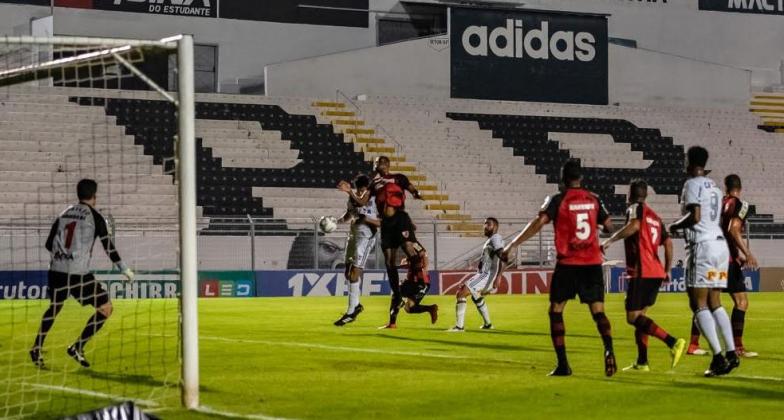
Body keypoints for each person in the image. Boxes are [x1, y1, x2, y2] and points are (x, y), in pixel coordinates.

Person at [501, 160, 616, 377]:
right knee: (598, 311)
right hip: (592, 264)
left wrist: (513, 244)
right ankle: (609, 348)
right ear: (580, 178)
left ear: (562, 179)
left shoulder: (558, 199)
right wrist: (596, 224)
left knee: (556, 310)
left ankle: (563, 364)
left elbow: (538, 222)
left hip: (568, 265)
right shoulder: (594, 199)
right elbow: (609, 227)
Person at [30, 179, 135, 368]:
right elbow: (108, 246)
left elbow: (48, 244)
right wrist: (124, 268)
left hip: (56, 270)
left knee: (54, 307)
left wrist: (62, 254)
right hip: (78, 273)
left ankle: (36, 348)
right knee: (106, 308)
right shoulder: (95, 217)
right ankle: (77, 346)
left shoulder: (64, 213)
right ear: (94, 196)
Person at [668, 146, 740, 377]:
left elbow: (695, 216)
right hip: (719, 245)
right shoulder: (716, 189)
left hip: (702, 246)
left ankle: (718, 357)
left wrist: (674, 226)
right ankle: (731, 353)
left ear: (690, 163)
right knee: (715, 301)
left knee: (697, 303)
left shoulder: (691, 184)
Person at [601, 180, 686, 371]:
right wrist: (667, 269)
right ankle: (642, 361)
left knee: (632, 317)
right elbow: (669, 243)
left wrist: (609, 241)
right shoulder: (655, 217)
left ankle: (673, 342)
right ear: (645, 195)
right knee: (641, 317)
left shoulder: (635, 209)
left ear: (630, 195)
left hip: (642, 271)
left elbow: (635, 225)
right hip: (655, 271)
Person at [365, 156, 438, 329]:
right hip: (389, 226)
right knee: (399, 297)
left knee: (409, 249)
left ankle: (419, 288)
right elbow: (365, 198)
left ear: (386, 165)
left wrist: (417, 194)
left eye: (379, 164)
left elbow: (412, 190)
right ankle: (392, 323)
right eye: (375, 164)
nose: (376, 166)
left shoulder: (399, 178)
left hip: (421, 281)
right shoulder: (373, 183)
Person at [333, 174, 381, 326]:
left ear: (367, 188)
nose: (361, 192)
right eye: (358, 189)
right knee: (347, 272)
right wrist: (336, 221)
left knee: (354, 272)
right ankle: (357, 305)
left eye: (363, 189)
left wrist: (349, 191)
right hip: (353, 235)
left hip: (366, 237)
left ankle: (351, 311)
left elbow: (362, 205)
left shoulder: (372, 198)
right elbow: (350, 213)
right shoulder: (354, 197)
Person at [721, 174, 759, 357]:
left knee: (708, 303)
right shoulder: (740, 205)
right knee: (742, 302)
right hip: (728, 261)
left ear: (725, 187)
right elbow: (733, 230)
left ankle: (694, 344)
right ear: (740, 188)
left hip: (715, 258)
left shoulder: (719, 204)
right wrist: (747, 253)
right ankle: (737, 347)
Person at [447, 217, 504, 332]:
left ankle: (459, 327)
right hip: (484, 274)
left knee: (461, 293)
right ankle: (488, 324)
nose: (485, 226)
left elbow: (503, 257)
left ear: (495, 227)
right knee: (476, 297)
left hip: (486, 275)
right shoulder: (491, 240)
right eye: (484, 224)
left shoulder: (495, 238)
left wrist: (499, 276)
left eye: (488, 224)